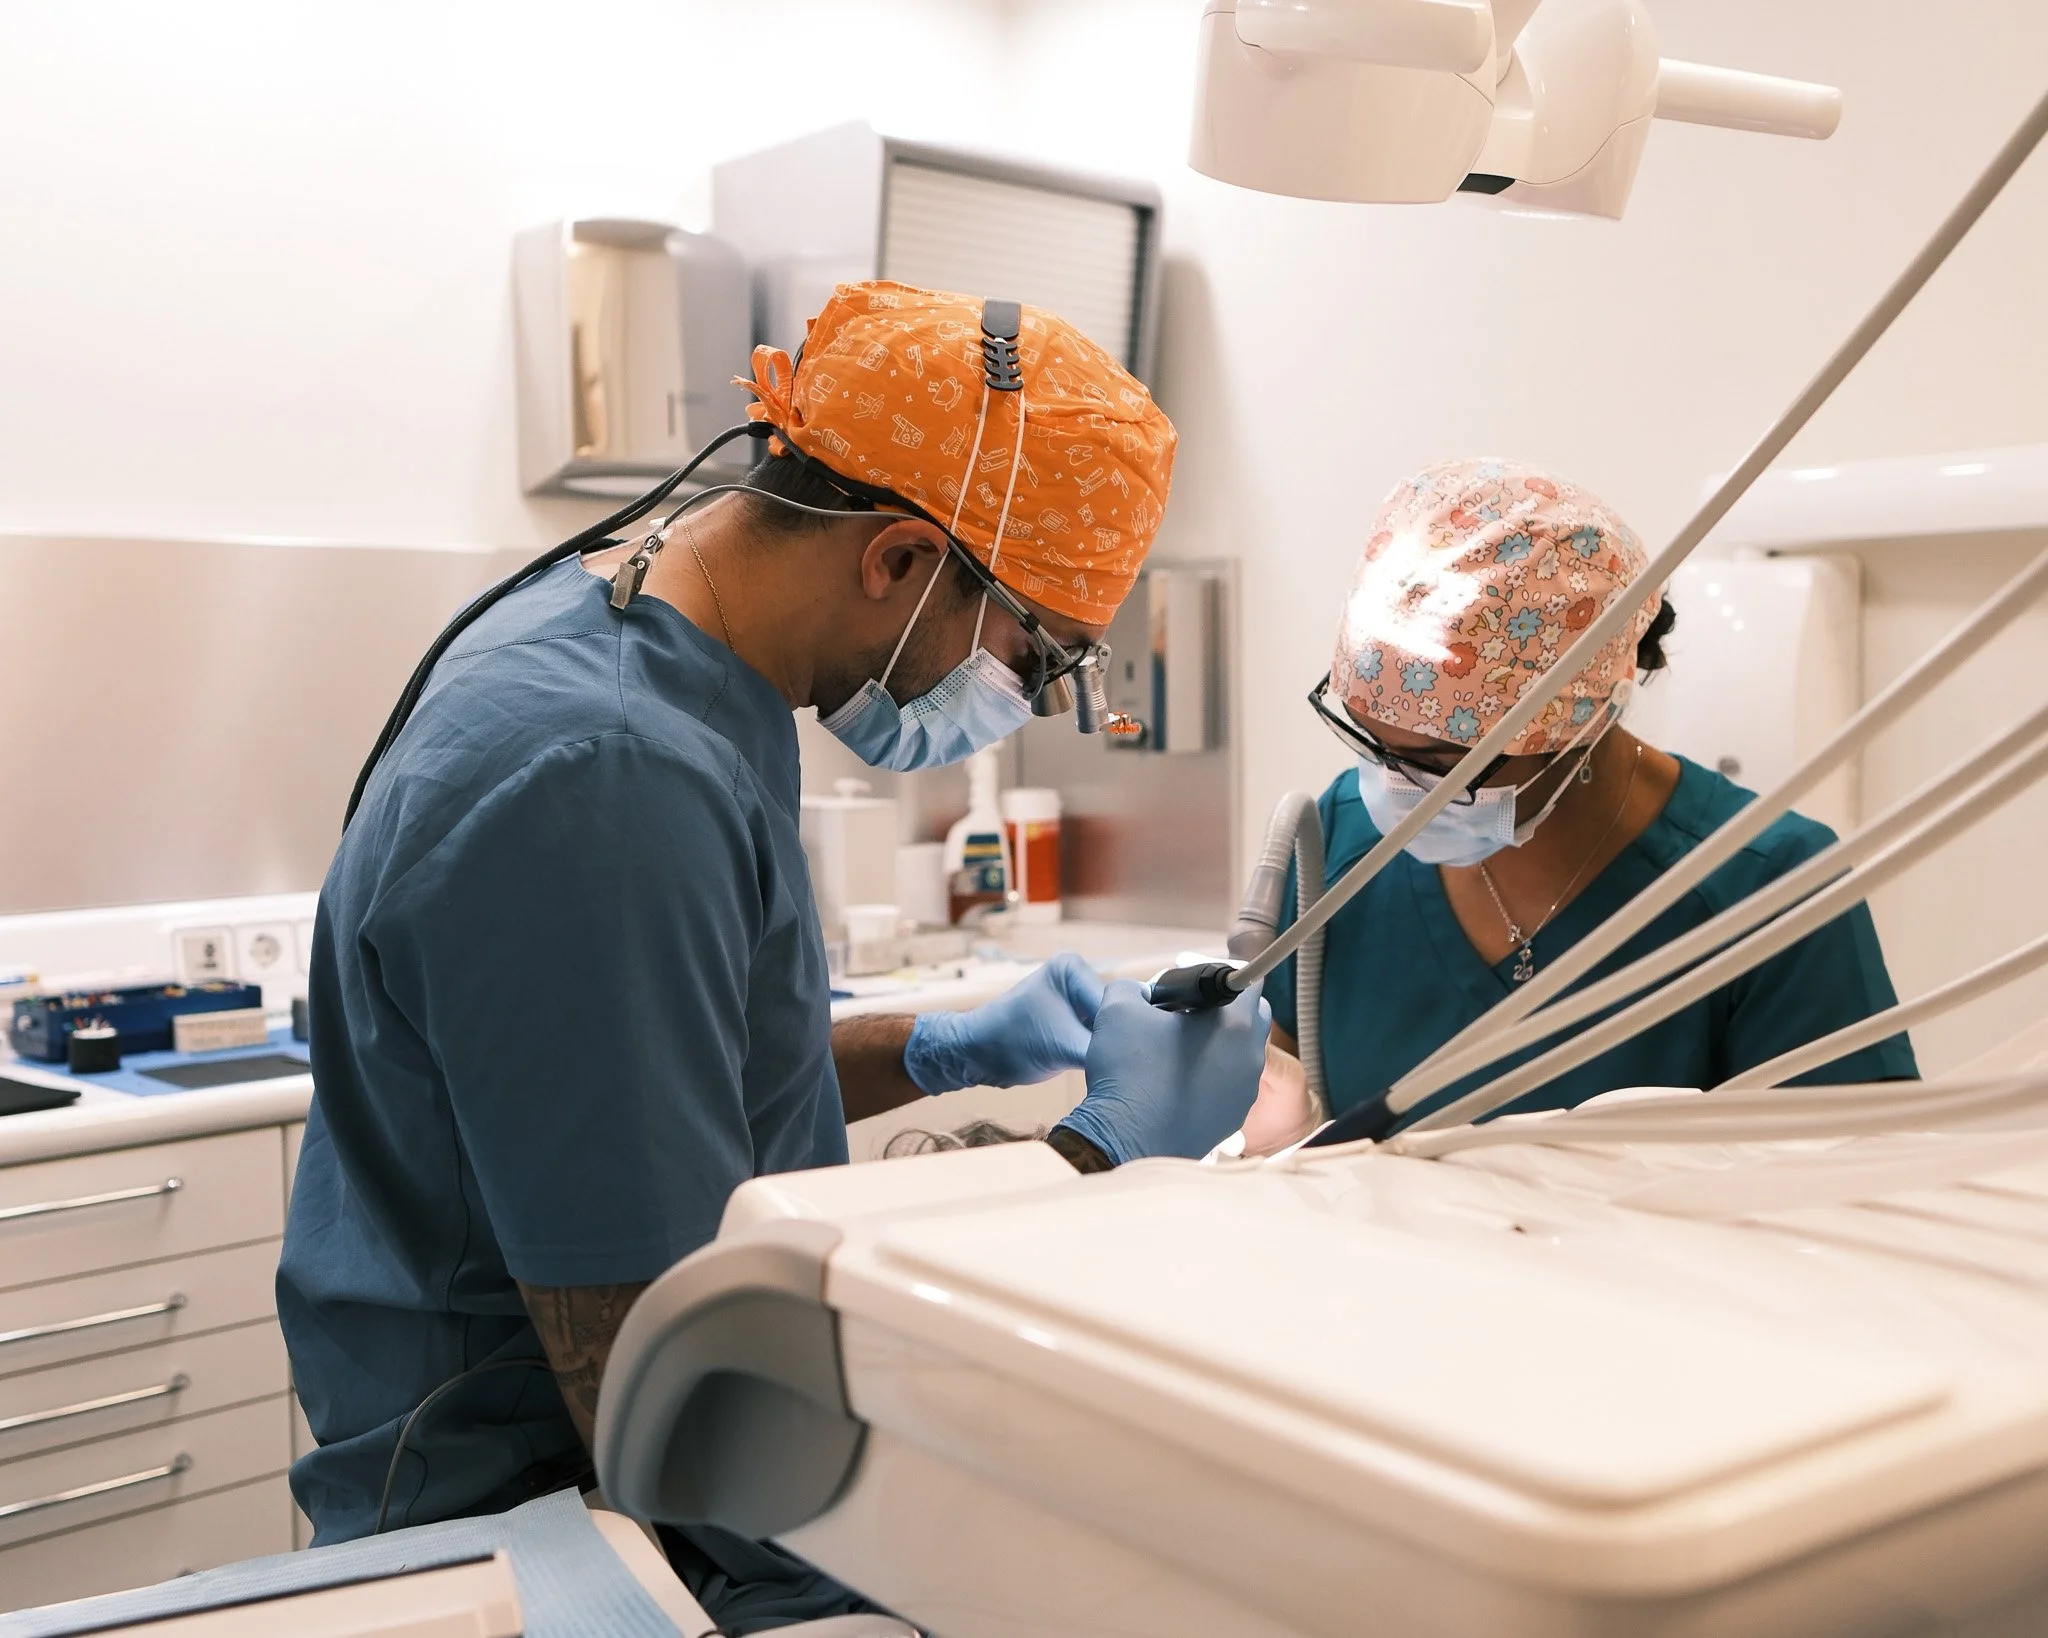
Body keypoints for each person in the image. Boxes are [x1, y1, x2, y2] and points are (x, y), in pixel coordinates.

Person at [277, 281, 1269, 1631]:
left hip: (635, 1481)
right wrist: (1092, 1154)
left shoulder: (663, 651)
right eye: (1032, 657)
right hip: (549, 1526)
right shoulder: (599, 778)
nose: (1018, 703)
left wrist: (937, 1047)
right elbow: (658, 1381)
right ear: (898, 562)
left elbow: (678, 1081)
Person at [1253, 457, 1913, 1141]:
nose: (1395, 792)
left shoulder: (1765, 885)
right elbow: (1279, 1091)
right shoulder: (1341, 839)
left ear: (1581, 719)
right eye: (1373, 744)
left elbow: (1843, 1184)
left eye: (1440, 764)